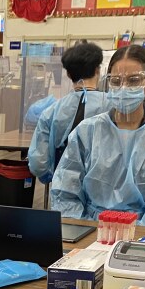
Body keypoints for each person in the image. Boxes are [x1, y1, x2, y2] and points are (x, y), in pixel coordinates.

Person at [50, 44, 145, 227]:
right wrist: (85, 232)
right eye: (116, 81)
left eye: (134, 80)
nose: (123, 88)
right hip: (90, 230)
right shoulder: (87, 131)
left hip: (142, 236)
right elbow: (65, 194)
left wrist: (137, 236)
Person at [28, 42, 108, 185]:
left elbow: (38, 163)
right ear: (98, 70)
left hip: (64, 186)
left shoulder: (51, 111)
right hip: (105, 188)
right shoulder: (115, 107)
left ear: (68, 74)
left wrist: (53, 176)